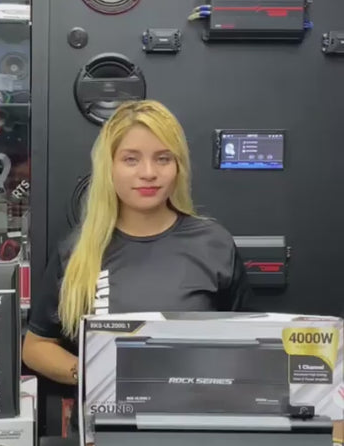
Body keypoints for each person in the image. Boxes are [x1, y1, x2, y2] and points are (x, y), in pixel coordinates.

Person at [22, 99, 252, 412]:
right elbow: (36, 347)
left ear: (178, 166)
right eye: (131, 159)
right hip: (106, 428)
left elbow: (247, 346)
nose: (148, 173)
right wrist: (91, 374)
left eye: (163, 159)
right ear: (109, 167)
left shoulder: (214, 245)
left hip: (196, 424)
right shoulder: (77, 252)